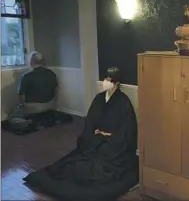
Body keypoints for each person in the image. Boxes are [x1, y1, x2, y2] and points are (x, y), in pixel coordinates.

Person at [23, 67, 139, 201]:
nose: (106, 82)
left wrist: (105, 137)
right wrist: (95, 136)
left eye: (110, 80)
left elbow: (126, 132)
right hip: (94, 141)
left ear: (117, 83)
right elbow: (90, 124)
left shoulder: (123, 102)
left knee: (100, 169)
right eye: (105, 79)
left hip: (112, 146)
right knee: (74, 163)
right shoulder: (99, 99)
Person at [8, 51, 58, 127]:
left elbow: (21, 96)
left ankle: (30, 122)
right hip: (50, 105)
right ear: (42, 61)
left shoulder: (26, 76)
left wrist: (22, 105)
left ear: (31, 62)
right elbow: (56, 90)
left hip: (34, 108)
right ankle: (43, 118)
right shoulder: (52, 73)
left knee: (11, 117)